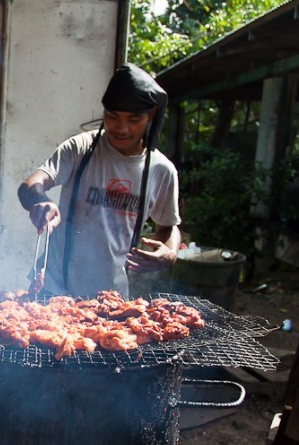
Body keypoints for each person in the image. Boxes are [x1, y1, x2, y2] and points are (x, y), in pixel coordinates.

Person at [17, 62, 181, 297]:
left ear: (151, 115)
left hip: (111, 298)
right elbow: (31, 185)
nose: (121, 128)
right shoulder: (80, 148)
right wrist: (39, 201)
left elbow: (168, 226)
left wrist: (170, 251)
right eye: (112, 116)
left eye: (133, 119)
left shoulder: (161, 170)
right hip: (54, 291)